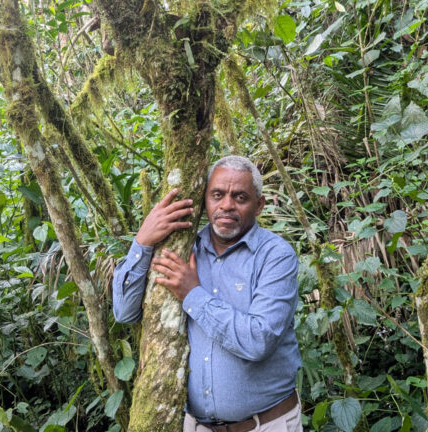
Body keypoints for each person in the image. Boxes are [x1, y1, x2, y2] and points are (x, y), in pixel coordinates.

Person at [112, 156, 303, 432]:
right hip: (197, 426)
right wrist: (142, 241)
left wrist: (193, 294)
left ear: (259, 205)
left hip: (266, 425)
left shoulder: (275, 256)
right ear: (205, 200)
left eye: (240, 197)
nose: (227, 205)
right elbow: (124, 312)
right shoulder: (183, 248)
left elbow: (259, 340)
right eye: (217, 195)